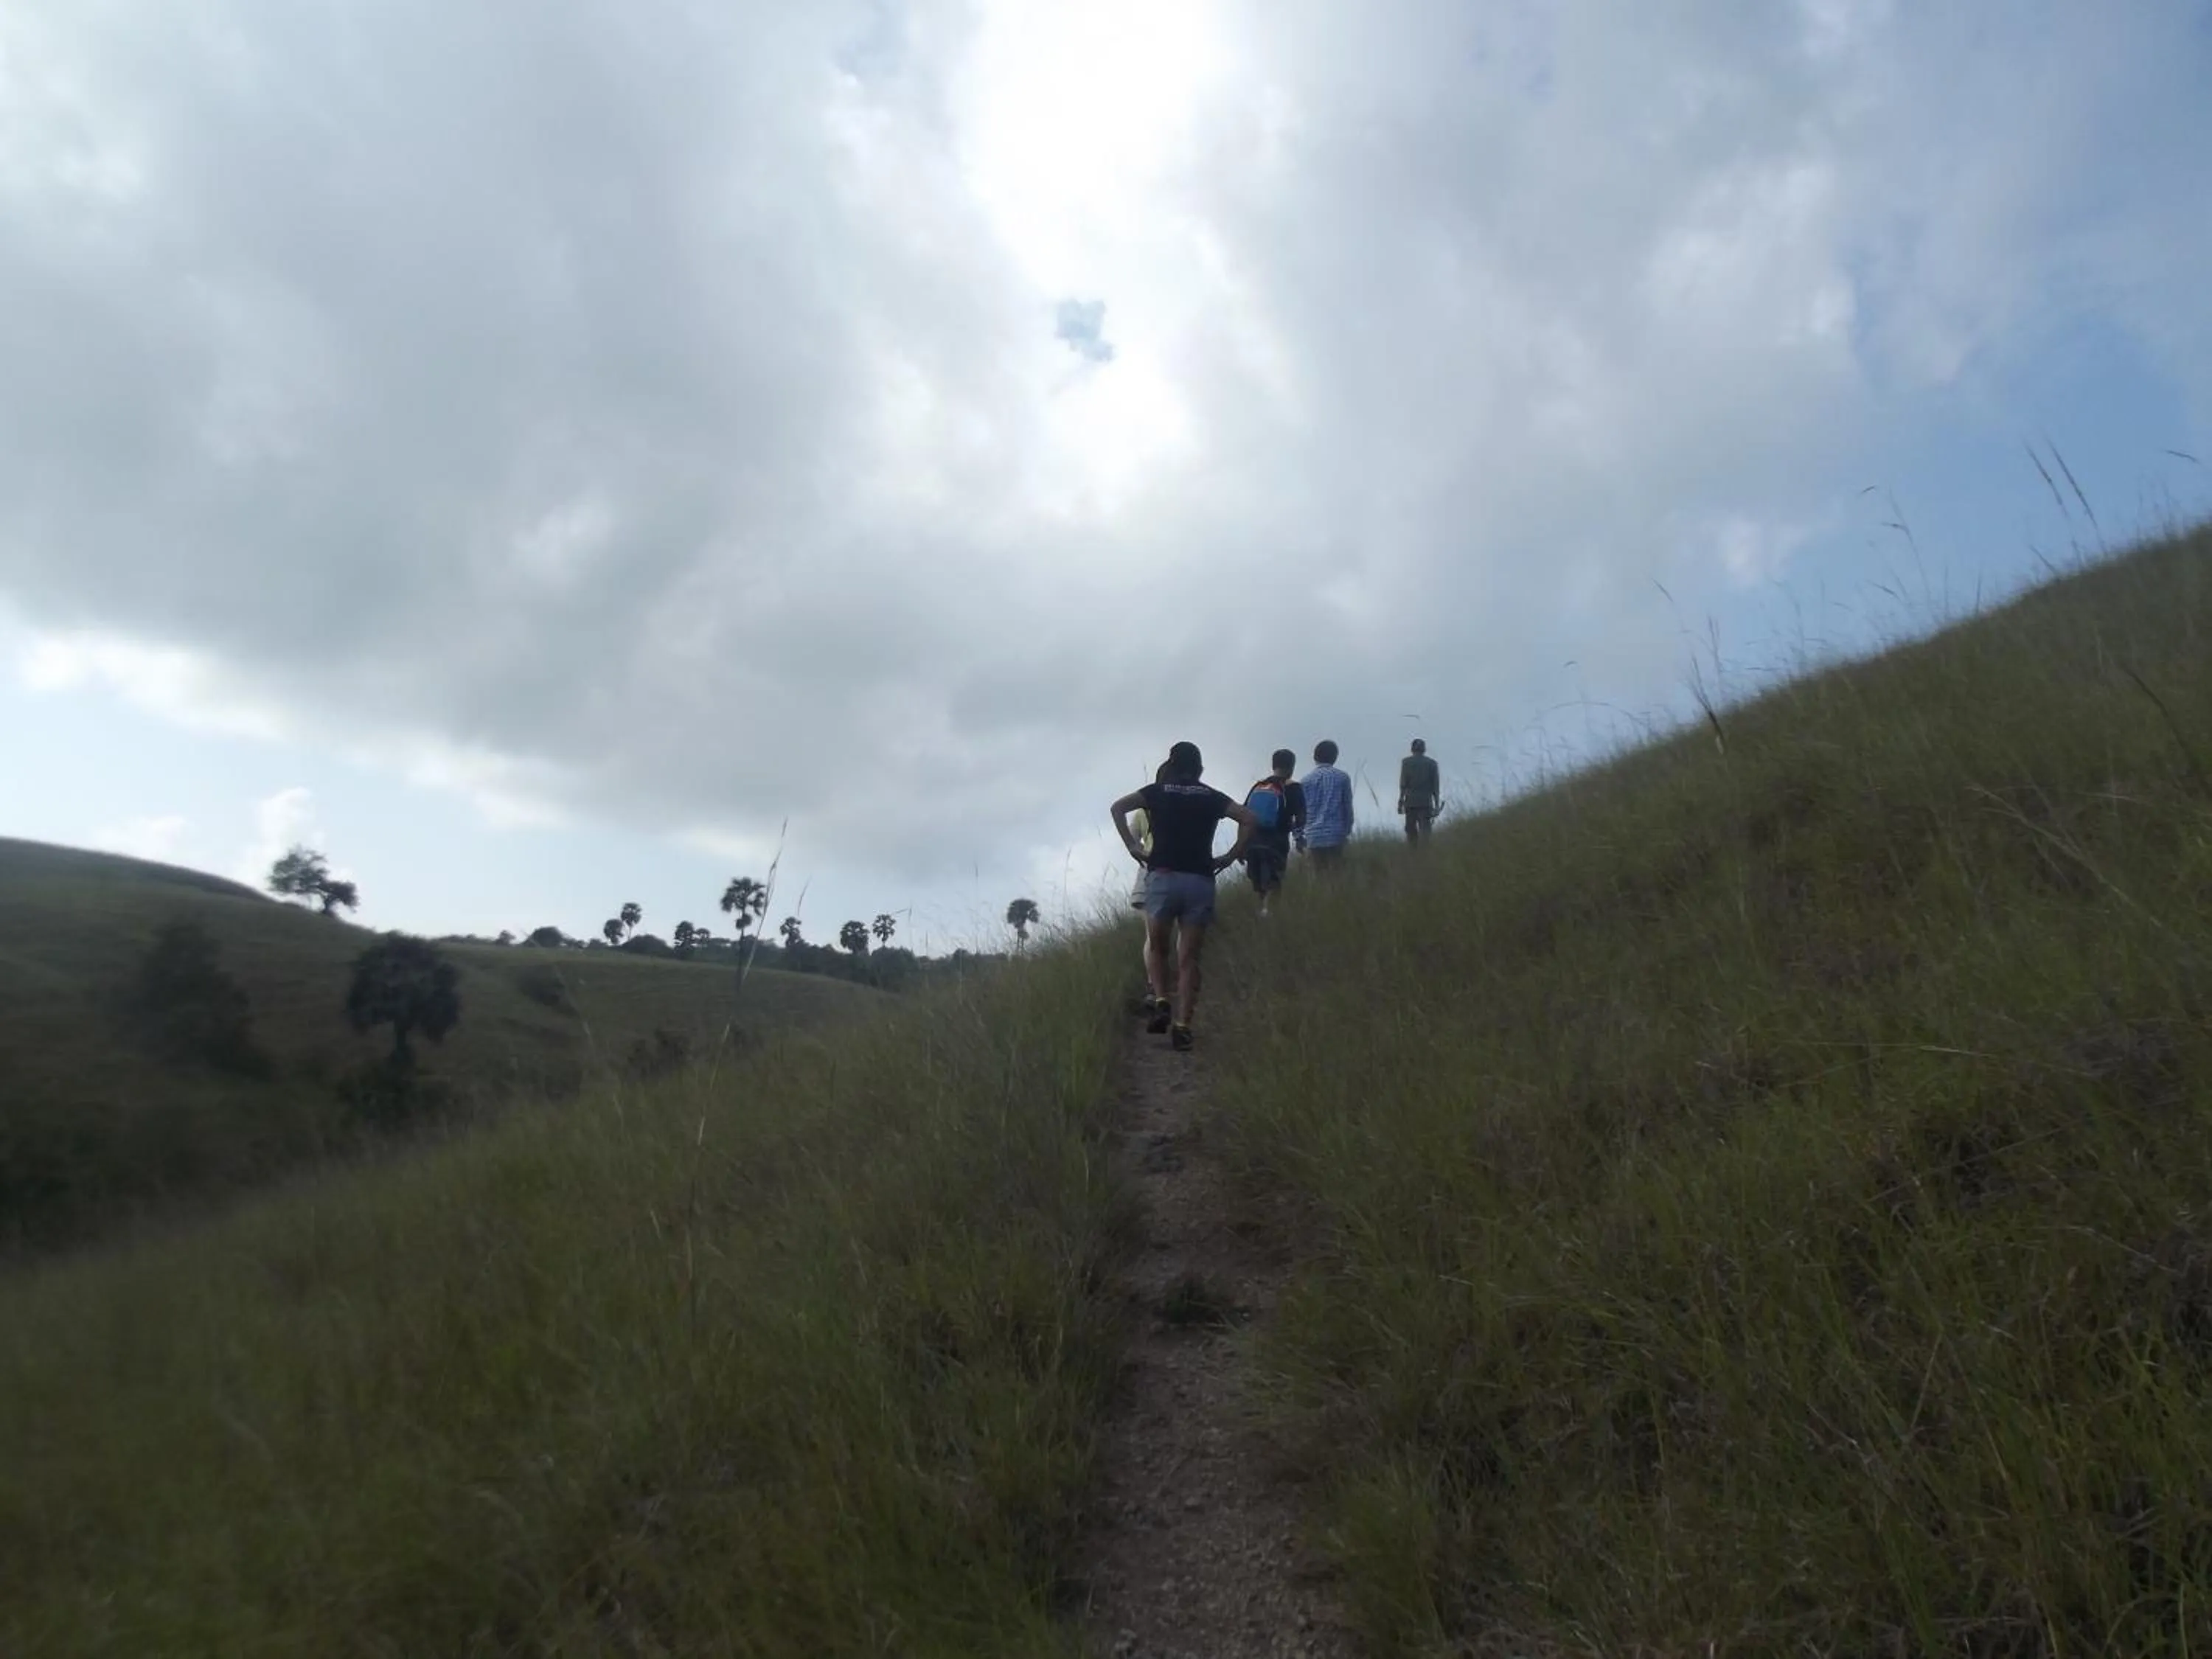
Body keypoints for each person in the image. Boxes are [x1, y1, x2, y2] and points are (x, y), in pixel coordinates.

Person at [1110, 741, 1255, 1051]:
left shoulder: (1156, 792)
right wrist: (1231, 856)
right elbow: (1249, 818)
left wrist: (1132, 847)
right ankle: (1183, 1026)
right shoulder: (1212, 796)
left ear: (1171, 764)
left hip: (1162, 876)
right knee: (1189, 959)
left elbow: (1118, 807)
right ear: (1199, 767)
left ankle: (1162, 999)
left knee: (1159, 949)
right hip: (1199, 880)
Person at [1240, 748, 1307, 917]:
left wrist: (1240, 846)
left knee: (1260, 888)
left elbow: (1243, 815)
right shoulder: (1294, 788)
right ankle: (1270, 918)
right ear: (1292, 767)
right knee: (1274, 885)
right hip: (1276, 844)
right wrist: (1299, 839)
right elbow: (1300, 816)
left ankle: (1261, 914)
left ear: (1273, 765)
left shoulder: (1258, 786)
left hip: (1253, 843)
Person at [1301, 739, 1355, 870]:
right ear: (1335, 757)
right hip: (1336, 833)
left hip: (1313, 835)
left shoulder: (1305, 781)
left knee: (1318, 876)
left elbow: (1301, 811)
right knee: (1336, 875)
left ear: (1315, 757)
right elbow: (1347, 807)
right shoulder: (1342, 777)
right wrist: (1347, 830)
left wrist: (1300, 835)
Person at [1399, 737, 1441, 844]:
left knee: (1411, 831)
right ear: (1424, 749)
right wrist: (1437, 805)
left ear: (1412, 749)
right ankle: (1425, 854)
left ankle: (1413, 854)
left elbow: (1403, 785)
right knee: (1426, 831)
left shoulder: (1406, 763)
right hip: (1426, 802)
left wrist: (1400, 802)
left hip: (1410, 802)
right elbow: (1435, 787)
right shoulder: (1432, 764)